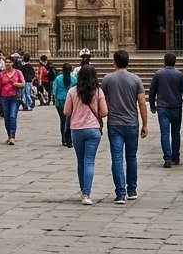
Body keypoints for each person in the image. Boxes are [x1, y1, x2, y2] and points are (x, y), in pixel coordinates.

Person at [101, 49, 149, 204]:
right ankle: (132, 190)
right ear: (128, 62)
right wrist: (145, 124)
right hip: (132, 123)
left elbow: (102, 100)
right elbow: (142, 103)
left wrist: (101, 117)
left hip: (114, 123)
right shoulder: (136, 79)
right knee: (131, 157)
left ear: (114, 62)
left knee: (117, 158)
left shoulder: (107, 79)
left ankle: (120, 193)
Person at [64, 64, 109, 205]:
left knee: (81, 161)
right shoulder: (98, 92)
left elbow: (66, 111)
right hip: (93, 129)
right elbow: (104, 112)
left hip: (77, 129)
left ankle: (83, 190)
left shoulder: (72, 91)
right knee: (89, 161)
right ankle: (87, 194)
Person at [147, 52, 183, 168]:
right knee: (176, 133)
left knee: (164, 133)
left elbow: (152, 92)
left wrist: (152, 105)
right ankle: (175, 157)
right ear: (175, 62)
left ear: (164, 61)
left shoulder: (158, 74)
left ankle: (167, 158)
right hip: (176, 107)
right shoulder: (180, 75)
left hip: (163, 107)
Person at [0, 55, 25, 144]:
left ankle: (12, 136)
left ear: (13, 63)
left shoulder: (18, 72)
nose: (7, 64)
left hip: (15, 97)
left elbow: (23, 84)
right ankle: (9, 134)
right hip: (4, 97)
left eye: (9, 62)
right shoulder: (1, 74)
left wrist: (16, 84)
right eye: (6, 62)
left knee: (12, 116)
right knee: (6, 117)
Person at [53, 62, 75, 148]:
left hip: (60, 101)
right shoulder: (74, 79)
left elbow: (55, 90)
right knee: (70, 120)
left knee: (63, 120)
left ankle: (64, 138)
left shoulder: (58, 79)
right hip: (71, 101)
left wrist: (55, 98)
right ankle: (69, 137)